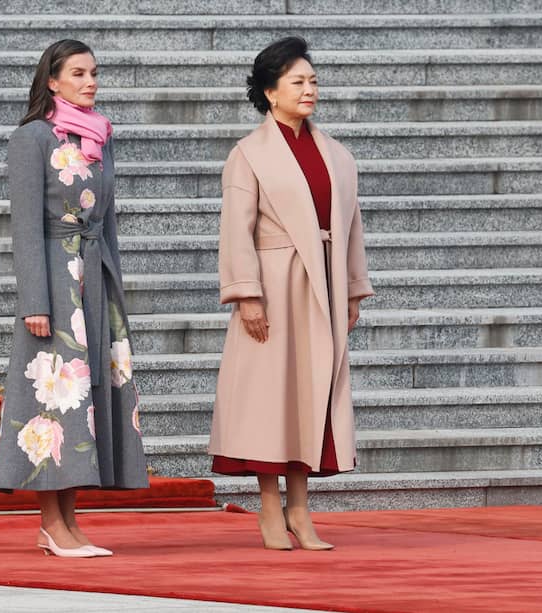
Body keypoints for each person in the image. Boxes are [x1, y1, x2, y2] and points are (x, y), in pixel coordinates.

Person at [208, 36, 375, 551]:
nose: (309, 90)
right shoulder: (248, 154)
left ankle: (301, 511)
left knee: (310, 396)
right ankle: (268, 509)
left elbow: (351, 227)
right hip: (275, 287)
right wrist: (247, 295)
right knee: (271, 398)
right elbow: (236, 230)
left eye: (313, 80)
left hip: (321, 287)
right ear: (270, 92)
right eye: (297, 82)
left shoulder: (336, 154)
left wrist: (351, 289)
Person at [0, 39, 148, 558]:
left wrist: (114, 289)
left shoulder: (100, 137)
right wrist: (35, 300)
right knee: (55, 399)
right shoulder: (31, 139)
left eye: (94, 73)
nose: (90, 82)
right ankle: (52, 522)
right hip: (56, 282)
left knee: (88, 400)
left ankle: (67, 521)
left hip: (95, 279)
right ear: (52, 81)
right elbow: (26, 229)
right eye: (78, 73)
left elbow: (109, 224)